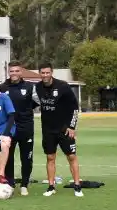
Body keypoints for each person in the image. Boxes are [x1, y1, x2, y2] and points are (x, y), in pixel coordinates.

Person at [33, 63, 83, 197]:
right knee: (50, 157)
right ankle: (51, 186)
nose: (45, 75)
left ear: (51, 72)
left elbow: (75, 107)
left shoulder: (63, 86)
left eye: (47, 73)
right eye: (42, 73)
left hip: (64, 129)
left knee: (71, 156)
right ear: (40, 73)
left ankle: (77, 186)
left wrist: (72, 126)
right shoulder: (37, 87)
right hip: (48, 129)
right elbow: (33, 103)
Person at [0, 62, 36, 195]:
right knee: (8, 157)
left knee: (26, 157)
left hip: (26, 126)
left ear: (21, 72)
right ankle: (10, 182)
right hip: (9, 127)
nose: (14, 73)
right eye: (11, 71)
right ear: (8, 72)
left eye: (16, 71)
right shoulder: (3, 87)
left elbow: (35, 102)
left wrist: (25, 111)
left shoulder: (29, 86)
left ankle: (25, 184)